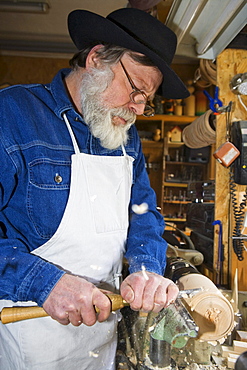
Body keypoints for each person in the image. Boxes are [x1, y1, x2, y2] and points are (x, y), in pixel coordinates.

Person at [0, 8, 189, 370]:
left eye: (145, 101)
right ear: (97, 59)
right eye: (135, 90)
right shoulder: (12, 116)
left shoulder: (124, 138)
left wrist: (146, 269)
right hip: (28, 337)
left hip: (100, 342)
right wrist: (45, 283)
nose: (136, 109)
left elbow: (143, 213)